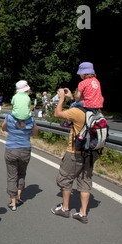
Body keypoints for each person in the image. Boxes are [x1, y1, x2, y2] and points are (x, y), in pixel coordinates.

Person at [50, 87, 100, 224]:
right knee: (85, 182)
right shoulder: (95, 111)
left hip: (75, 152)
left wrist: (61, 98)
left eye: (77, 91)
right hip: (90, 153)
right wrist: (72, 99)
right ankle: (83, 213)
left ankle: (65, 209)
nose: (75, 92)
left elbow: (57, 114)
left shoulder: (76, 111)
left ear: (82, 95)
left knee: (65, 179)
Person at [2, 108, 38, 211]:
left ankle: (13, 202)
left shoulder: (9, 116)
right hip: (25, 149)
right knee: (22, 173)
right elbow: (35, 133)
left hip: (11, 149)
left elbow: (3, 128)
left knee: (11, 175)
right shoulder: (31, 118)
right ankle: (19, 195)